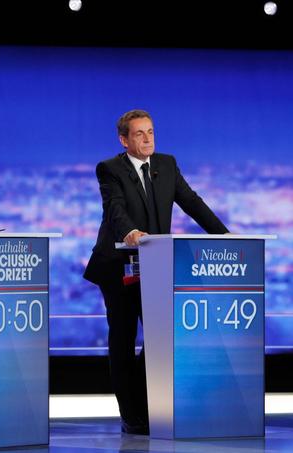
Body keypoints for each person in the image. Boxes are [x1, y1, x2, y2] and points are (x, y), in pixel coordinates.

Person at [83, 109, 229, 435]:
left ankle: (148, 405)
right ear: (124, 139)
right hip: (118, 265)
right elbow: (115, 209)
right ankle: (131, 415)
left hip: (157, 267)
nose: (148, 138)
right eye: (139, 133)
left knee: (160, 338)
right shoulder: (110, 169)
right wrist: (130, 232)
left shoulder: (166, 164)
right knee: (122, 339)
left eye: (150, 131)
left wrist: (226, 237)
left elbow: (192, 202)